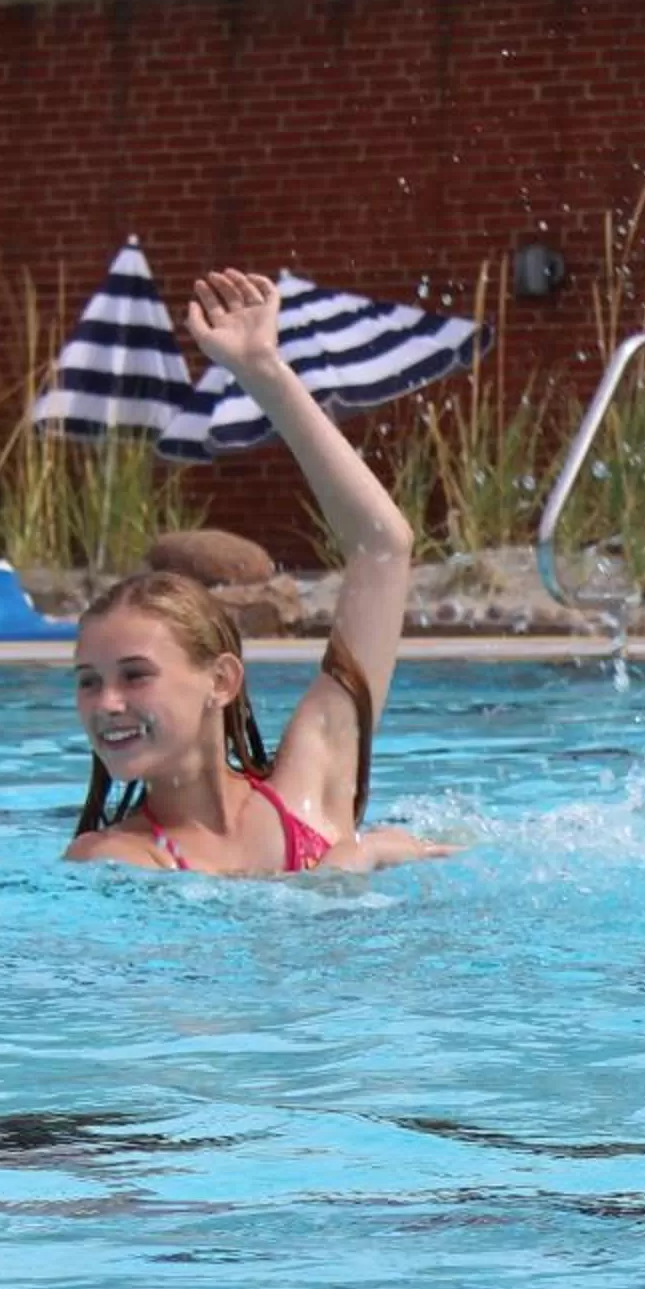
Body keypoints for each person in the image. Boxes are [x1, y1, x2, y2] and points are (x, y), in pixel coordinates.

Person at [67, 269, 439, 876]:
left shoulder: (311, 790)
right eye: (88, 681)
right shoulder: (113, 857)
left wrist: (261, 370)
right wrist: (350, 865)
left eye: (134, 676)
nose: (106, 703)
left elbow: (383, 545)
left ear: (222, 680)